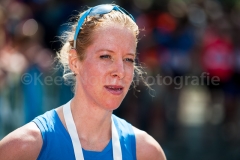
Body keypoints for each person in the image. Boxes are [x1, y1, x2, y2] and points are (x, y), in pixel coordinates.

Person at [0, 4, 166, 160]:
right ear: (74, 61)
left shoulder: (147, 152)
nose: (120, 71)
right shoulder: (25, 147)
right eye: (106, 56)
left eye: (128, 59)